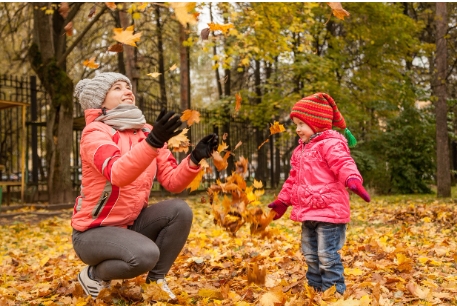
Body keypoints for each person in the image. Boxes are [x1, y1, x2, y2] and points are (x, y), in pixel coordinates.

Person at [71, 72, 218, 300]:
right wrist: (153, 143)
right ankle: (94, 273)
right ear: (100, 101)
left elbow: (171, 181)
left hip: (130, 225)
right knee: (144, 255)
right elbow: (117, 173)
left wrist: (194, 159)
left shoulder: (147, 131)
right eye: (117, 88)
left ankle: (155, 282)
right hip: (92, 232)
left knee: (180, 210)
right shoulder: (95, 133)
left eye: (128, 87)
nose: (127, 91)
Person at [267, 92, 370, 296]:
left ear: (317, 123)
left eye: (301, 124)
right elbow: (293, 180)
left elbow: (343, 163)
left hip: (330, 213)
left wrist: (352, 180)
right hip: (308, 213)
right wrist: (283, 201)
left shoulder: (331, 144)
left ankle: (333, 292)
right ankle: (315, 289)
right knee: (310, 254)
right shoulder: (301, 151)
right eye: (296, 124)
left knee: (327, 255)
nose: (297, 129)